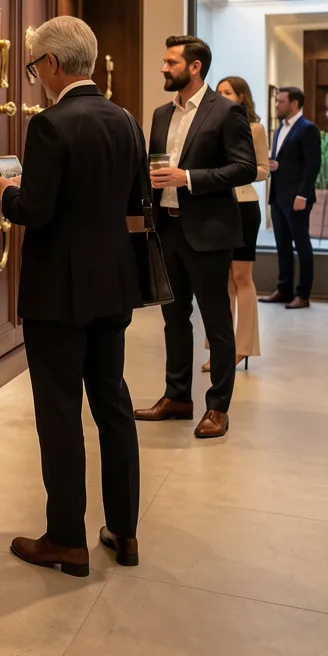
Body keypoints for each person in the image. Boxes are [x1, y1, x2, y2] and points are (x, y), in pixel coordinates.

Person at [0, 15, 143, 578]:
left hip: (58, 292)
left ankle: (66, 539)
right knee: (113, 405)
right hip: (113, 284)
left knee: (59, 412)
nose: (37, 77)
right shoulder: (126, 121)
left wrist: (10, 193)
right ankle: (124, 531)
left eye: (35, 66)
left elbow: (35, 210)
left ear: (52, 64)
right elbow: (133, 200)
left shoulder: (49, 125)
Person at [134, 36, 256, 439]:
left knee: (217, 322)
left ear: (195, 67)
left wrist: (188, 179)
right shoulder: (159, 114)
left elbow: (244, 168)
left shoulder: (226, 112)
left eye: (171, 62)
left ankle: (218, 406)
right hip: (167, 229)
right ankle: (178, 396)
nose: (164, 68)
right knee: (173, 319)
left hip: (209, 233)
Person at [200, 77, 269, 372]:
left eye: (228, 92)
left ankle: (243, 348)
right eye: (220, 92)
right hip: (217, 206)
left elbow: (264, 169)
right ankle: (220, 350)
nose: (222, 96)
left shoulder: (255, 129)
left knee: (242, 278)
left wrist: (232, 173)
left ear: (242, 97)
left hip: (244, 207)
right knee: (221, 281)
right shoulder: (213, 126)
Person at [260, 86, 321, 309]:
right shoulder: (279, 130)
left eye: (281, 101)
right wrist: (275, 164)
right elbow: (289, 161)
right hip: (277, 197)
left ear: (294, 103)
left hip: (297, 198)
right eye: (277, 101)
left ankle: (303, 295)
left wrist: (302, 195)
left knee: (302, 245)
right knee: (282, 245)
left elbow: (313, 165)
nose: (276, 105)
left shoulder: (307, 129)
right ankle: (284, 290)